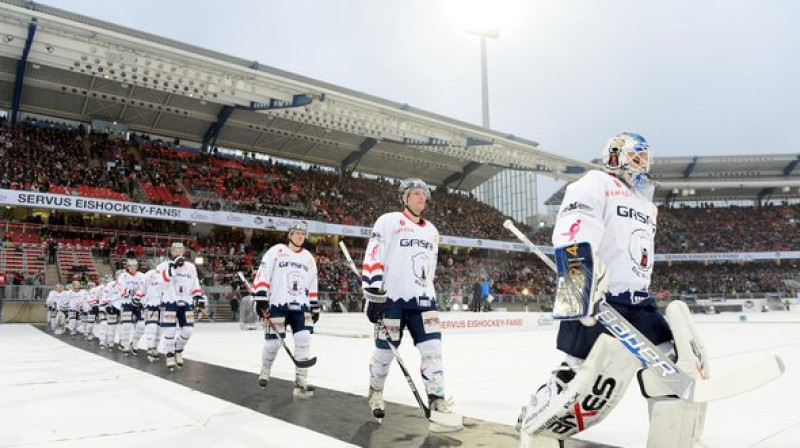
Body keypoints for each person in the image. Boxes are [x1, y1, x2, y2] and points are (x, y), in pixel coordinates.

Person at [516, 133, 708, 448]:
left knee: (670, 368)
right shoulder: (594, 183)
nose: (642, 164)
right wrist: (580, 287)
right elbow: (572, 229)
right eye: (636, 156)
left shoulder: (644, 202)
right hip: (600, 298)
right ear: (615, 155)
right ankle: (534, 425)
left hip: (639, 303)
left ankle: (671, 441)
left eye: (645, 157)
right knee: (575, 377)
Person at [361, 178, 462, 432]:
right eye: (416, 193)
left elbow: (431, 267)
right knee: (385, 353)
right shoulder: (389, 221)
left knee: (433, 351)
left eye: (424, 194)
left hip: (424, 302)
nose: (421, 198)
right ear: (404, 198)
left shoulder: (432, 231)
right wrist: (373, 295)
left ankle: (437, 398)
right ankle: (375, 390)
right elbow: (375, 254)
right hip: (391, 300)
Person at [251, 221, 319, 398]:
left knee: (304, 338)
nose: (299, 236)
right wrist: (261, 298)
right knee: (273, 343)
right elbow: (263, 273)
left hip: (301, 306)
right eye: (296, 233)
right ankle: (265, 369)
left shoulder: (308, 258)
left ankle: (300, 383)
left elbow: (313, 283)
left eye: (302, 234)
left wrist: (314, 305)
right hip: (278, 304)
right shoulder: (276, 251)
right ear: (289, 235)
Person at [157, 242, 204, 370]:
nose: (178, 252)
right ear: (171, 252)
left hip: (186, 302)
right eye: (175, 250)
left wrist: (198, 299)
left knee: (188, 330)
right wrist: (172, 267)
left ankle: (178, 349)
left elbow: (195, 284)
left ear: (183, 251)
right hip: (170, 301)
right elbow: (161, 282)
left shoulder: (190, 267)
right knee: (170, 330)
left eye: (180, 250)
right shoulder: (164, 265)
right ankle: (170, 354)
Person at [117, 259, 145, 355]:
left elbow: (144, 288)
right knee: (126, 325)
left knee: (142, 325)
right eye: (131, 266)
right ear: (127, 267)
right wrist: (129, 292)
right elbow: (121, 288)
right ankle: (124, 344)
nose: (133, 268)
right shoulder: (123, 276)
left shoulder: (141, 276)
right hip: (127, 303)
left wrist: (138, 295)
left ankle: (135, 342)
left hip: (138, 303)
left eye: (135, 266)